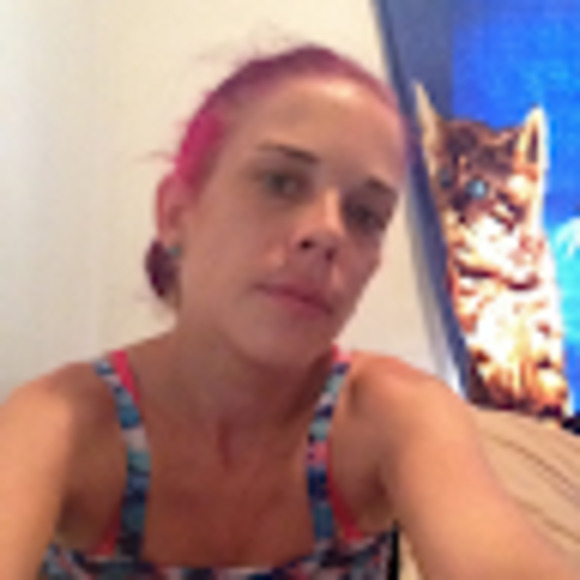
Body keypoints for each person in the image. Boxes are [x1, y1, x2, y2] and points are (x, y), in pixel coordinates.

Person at [0, 45, 576, 579]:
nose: (327, 232)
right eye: (280, 182)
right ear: (176, 213)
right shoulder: (61, 422)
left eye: (365, 214)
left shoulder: (394, 414)